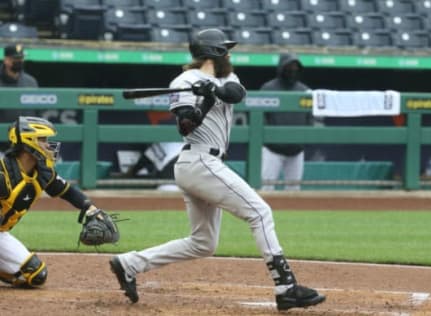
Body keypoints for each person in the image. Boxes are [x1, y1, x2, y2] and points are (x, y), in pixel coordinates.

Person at [109, 28, 326, 311]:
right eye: (225, 49)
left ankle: (130, 263)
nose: (230, 53)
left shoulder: (227, 77)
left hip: (207, 164)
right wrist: (204, 100)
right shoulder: (184, 81)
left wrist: (212, 89)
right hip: (198, 161)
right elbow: (185, 126)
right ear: (213, 52)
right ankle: (287, 287)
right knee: (260, 212)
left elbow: (235, 94)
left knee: (203, 243)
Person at [0, 116, 101, 287]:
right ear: (28, 142)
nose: (48, 145)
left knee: (35, 274)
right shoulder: (3, 174)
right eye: (43, 140)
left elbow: (68, 191)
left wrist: (90, 208)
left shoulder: (42, 172)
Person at [260, 53, 313, 191]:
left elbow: (309, 118)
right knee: (266, 190)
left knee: (294, 191)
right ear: (282, 67)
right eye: (289, 66)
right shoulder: (268, 88)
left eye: (295, 66)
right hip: (273, 150)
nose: (292, 69)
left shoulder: (304, 90)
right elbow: (260, 118)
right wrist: (269, 140)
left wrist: (302, 141)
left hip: (296, 151)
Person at [0, 44, 39, 123]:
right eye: (16, 58)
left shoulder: (31, 82)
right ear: (6, 60)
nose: (19, 61)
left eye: (21, 58)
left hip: (25, 132)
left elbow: (36, 111)